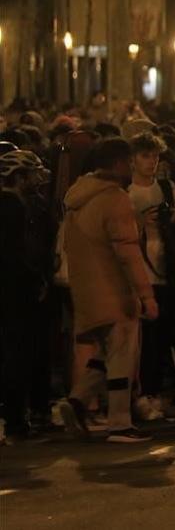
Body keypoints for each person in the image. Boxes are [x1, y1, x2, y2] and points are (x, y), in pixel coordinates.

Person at [59, 138, 159, 443]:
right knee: (122, 356)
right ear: (117, 163)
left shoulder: (78, 198)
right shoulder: (115, 199)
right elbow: (128, 253)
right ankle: (120, 423)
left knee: (106, 353)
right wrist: (147, 296)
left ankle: (75, 402)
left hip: (87, 288)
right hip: (115, 290)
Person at [127, 132, 175, 418]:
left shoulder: (167, 188)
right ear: (132, 160)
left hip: (169, 273)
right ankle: (144, 395)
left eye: (155, 156)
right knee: (146, 342)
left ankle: (163, 392)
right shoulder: (125, 192)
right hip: (140, 277)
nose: (152, 162)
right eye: (146, 156)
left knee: (168, 336)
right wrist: (139, 223)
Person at [0, 150, 52, 440]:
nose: (36, 178)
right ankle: (16, 420)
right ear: (18, 177)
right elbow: (14, 253)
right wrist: (36, 278)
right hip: (14, 291)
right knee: (17, 354)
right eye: (31, 173)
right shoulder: (12, 206)